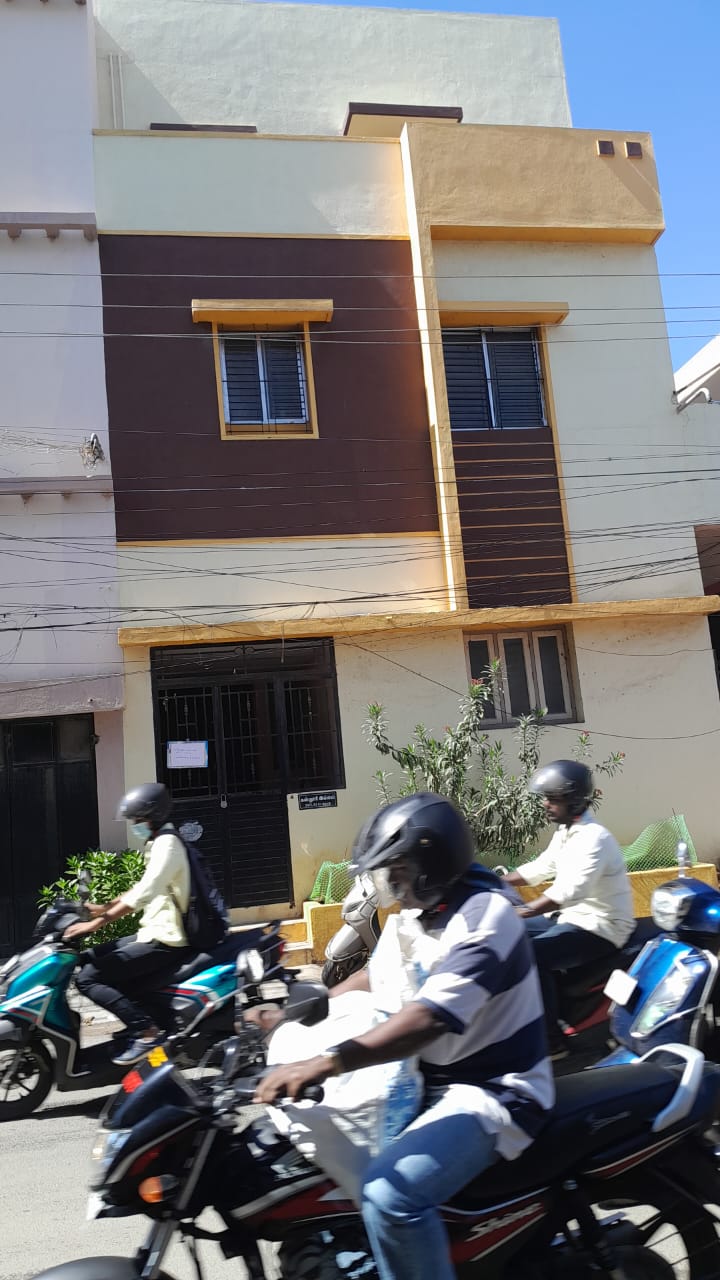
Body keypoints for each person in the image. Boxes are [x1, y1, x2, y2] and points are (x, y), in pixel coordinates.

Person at [255, 793, 554, 1280]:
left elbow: (427, 1019)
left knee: (389, 1195)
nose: (390, 884)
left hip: (493, 1093)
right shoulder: (421, 915)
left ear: (432, 866)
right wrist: (298, 1015)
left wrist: (323, 1063)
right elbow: (375, 977)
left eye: (398, 871)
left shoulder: (484, 918)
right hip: (429, 1079)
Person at [503, 759, 634, 1058]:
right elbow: (541, 867)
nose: (546, 804)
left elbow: (571, 891)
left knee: (530, 954)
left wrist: (524, 911)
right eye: (546, 798)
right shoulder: (567, 832)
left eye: (553, 799)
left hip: (601, 927)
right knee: (506, 935)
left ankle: (552, 1042)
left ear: (574, 800)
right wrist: (495, 881)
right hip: (570, 918)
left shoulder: (595, 838)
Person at [63, 782, 192, 1067]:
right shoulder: (158, 842)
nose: (134, 825)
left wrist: (97, 924)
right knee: (85, 959)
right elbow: (142, 887)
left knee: (88, 978)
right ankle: (139, 1017)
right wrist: (103, 907)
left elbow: (144, 893)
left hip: (167, 939)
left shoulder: (168, 844)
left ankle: (146, 1032)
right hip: (152, 931)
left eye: (137, 819)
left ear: (153, 816)